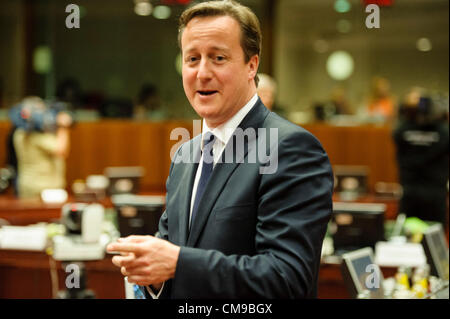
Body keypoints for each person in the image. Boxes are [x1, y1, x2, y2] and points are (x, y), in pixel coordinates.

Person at [107, 0, 333, 299]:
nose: (202, 73)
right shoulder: (185, 155)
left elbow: (287, 279)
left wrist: (178, 263)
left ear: (251, 65)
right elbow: (173, 259)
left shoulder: (290, 148)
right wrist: (153, 276)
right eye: (192, 59)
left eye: (218, 58)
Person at [393, 88, 449, 226]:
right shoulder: (443, 132)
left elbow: (395, 135)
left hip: (422, 192)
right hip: (426, 192)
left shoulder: (403, 130)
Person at [10, 96, 72, 198]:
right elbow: (61, 150)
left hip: (28, 185)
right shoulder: (36, 136)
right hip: (43, 188)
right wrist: (63, 126)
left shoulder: (19, 133)